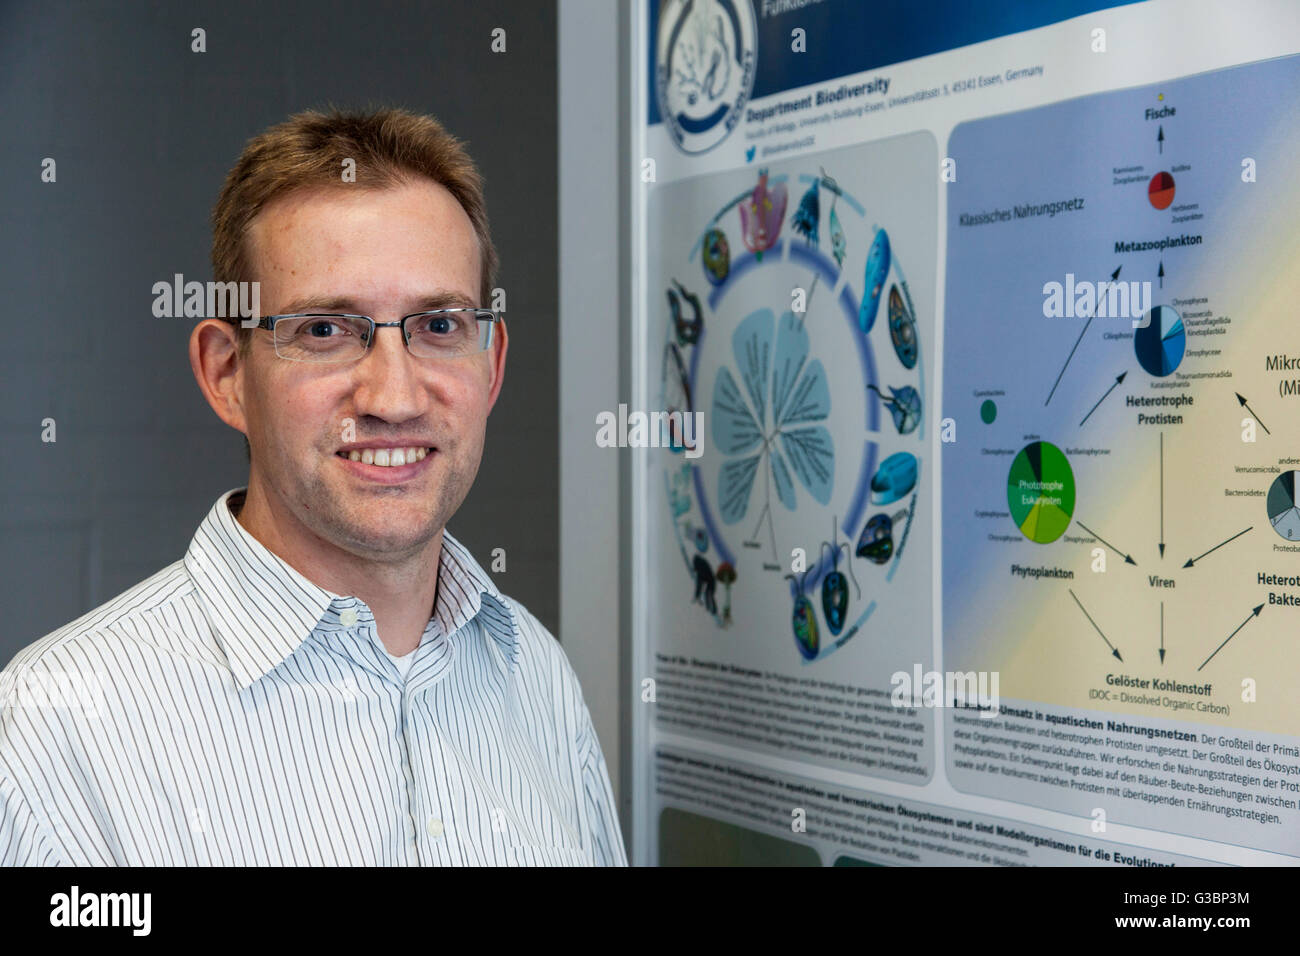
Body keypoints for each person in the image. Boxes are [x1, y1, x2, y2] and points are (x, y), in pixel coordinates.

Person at [0, 107, 626, 866]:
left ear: (490, 365)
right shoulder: (53, 728)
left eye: (438, 326)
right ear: (228, 374)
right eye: (326, 330)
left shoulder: (536, 673)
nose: (394, 398)